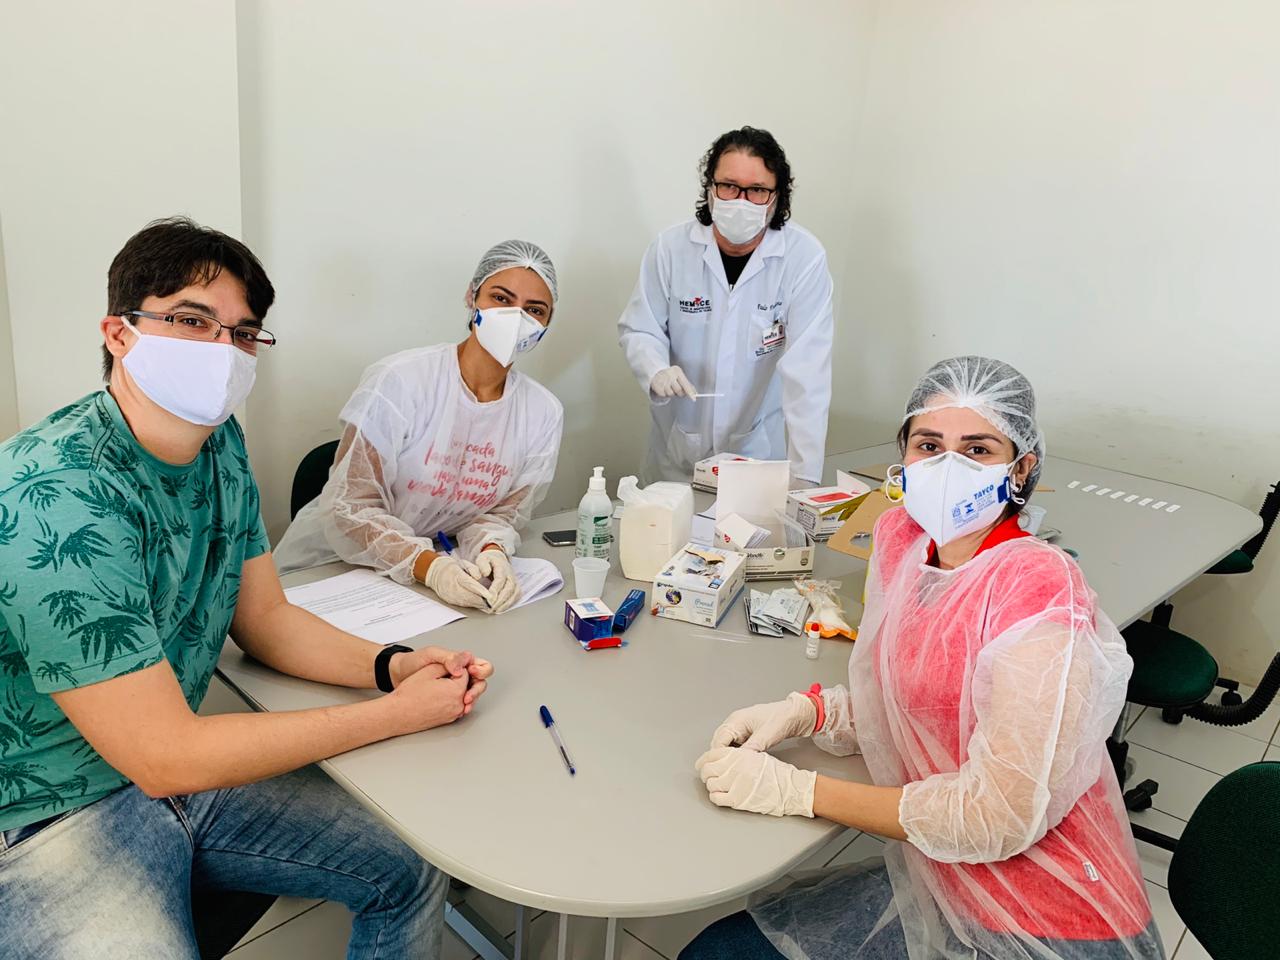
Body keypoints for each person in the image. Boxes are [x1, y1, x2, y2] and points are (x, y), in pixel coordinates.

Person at [0, 217, 493, 959]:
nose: (222, 350)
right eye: (192, 321)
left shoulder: (218, 441)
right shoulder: (57, 495)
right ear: (119, 333)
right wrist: (395, 715)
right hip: (48, 813)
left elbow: (264, 618)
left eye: (242, 333)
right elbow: (164, 754)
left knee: (412, 865)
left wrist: (392, 666)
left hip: (167, 771)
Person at [685, 357, 1164, 960]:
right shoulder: (904, 544)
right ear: (903, 455)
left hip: (1049, 915)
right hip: (945, 867)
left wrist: (799, 791)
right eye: (929, 445)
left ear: (1022, 467)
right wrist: (812, 713)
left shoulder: (1037, 588)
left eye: (978, 449)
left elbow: (999, 815)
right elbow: (921, 694)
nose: (947, 467)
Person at [274, 240, 564, 615]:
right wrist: (431, 568)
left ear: (546, 324)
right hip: (330, 570)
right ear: (472, 297)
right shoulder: (402, 380)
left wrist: (491, 549)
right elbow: (349, 508)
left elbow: (502, 515)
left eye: (534, 310)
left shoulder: (542, 412)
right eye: (501, 298)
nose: (515, 317)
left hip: (428, 586)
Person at [617, 126, 834, 486]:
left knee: (753, 521)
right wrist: (655, 368)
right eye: (729, 186)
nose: (741, 201)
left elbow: (808, 375)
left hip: (757, 451)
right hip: (678, 451)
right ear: (710, 187)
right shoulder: (671, 249)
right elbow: (640, 327)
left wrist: (804, 480)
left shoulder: (803, 258)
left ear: (777, 197)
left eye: (757, 190)